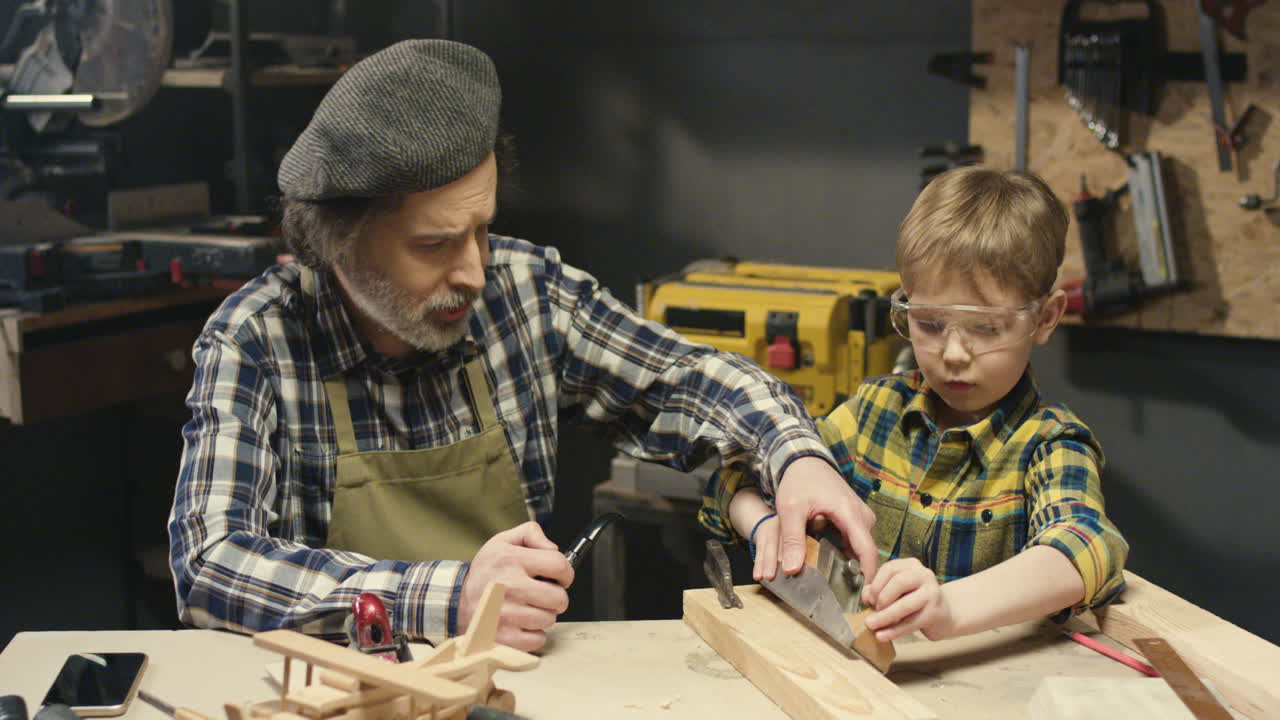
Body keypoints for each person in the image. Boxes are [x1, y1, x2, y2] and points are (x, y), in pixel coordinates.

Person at [168, 39, 877, 652]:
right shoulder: (257, 339)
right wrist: (446, 598)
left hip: (508, 687)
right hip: (341, 694)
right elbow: (209, 564)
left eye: (482, 228)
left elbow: (687, 380)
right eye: (436, 245)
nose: (475, 272)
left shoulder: (525, 291)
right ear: (339, 244)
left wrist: (794, 457)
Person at [700, 165, 1128, 643]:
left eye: (985, 328)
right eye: (928, 324)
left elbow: (1085, 547)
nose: (953, 353)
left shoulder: (1050, 444)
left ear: (1045, 318)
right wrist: (767, 525)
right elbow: (731, 482)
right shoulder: (872, 415)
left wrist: (950, 607)